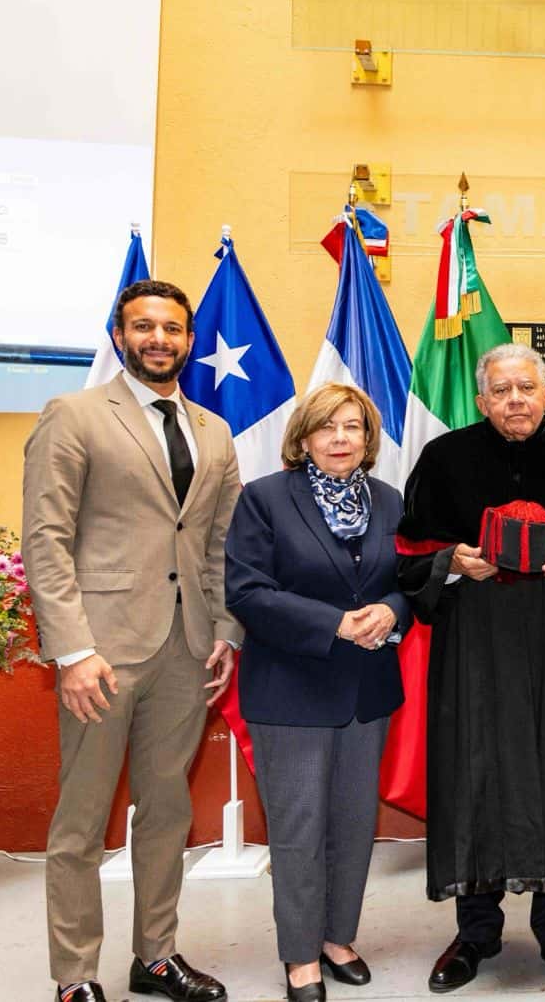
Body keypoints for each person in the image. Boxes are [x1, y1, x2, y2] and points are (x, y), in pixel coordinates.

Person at [396, 343, 545, 997]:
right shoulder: (445, 459)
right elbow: (408, 552)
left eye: (526, 388)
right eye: (501, 390)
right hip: (473, 642)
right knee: (472, 776)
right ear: (481, 399)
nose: (514, 400)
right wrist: (453, 559)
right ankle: (475, 932)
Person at [23, 279, 239, 1002]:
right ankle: (74, 973)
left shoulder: (213, 430)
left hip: (186, 648)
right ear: (120, 336)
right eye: (144, 326)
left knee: (168, 810)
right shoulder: (75, 414)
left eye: (173, 328)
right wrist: (72, 650)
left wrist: (226, 630)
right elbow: (46, 540)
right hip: (101, 652)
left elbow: (217, 542)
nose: (159, 339)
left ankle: (156, 956)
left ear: (189, 340)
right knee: (81, 821)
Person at [223, 383, 412, 1002]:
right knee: (300, 829)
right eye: (327, 427)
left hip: (366, 689)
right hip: (292, 690)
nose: (340, 438)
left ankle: (338, 938)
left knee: (355, 824)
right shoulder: (265, 499)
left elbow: (411, 579)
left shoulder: (389, 501)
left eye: (352, 427)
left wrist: (390, 610)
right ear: (303, 437)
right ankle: (300, 956)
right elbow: (247, 591)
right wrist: (333, 623)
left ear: (368, 439)